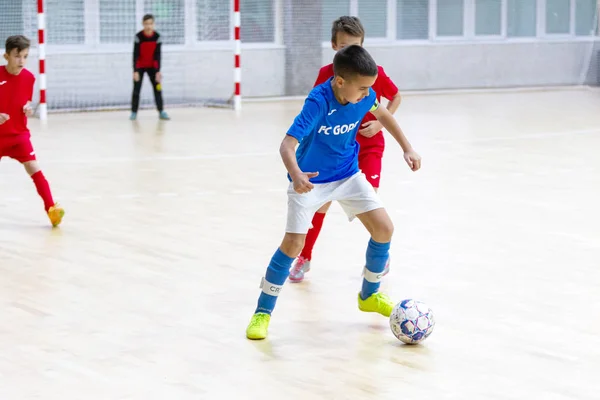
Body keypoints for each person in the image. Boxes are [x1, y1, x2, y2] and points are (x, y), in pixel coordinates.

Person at [246, 45, 421, 340]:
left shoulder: (364, 95)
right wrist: (297, 175)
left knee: (384, 228)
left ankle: (369, 296)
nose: (368, 94)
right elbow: (286, 145)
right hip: (311, 181)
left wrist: (407, 147)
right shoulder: (318, 102)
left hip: (347, 175)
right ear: (340, 82)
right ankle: (262, 313)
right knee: (293, 245)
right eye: (363, 88)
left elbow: (384, 115)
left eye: (370, 89)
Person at [289, 16, 402, 282]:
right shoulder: (326, 76)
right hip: (335, 147)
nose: (349, 52)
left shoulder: (372, 72)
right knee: (321, 204)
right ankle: (304, 257)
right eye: (343, 47)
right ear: (333, 46)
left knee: (370, 199)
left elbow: (395, 96)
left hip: (369, 145)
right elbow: (315, 111)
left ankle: (378, 257)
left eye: (355, 46)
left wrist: (380, 127)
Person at [0, 35, 64, 227]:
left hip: (19, 135)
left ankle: (52, 210)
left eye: (25, 56)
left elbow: (24, 101)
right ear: (6, 56)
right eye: (17, 56)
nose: (21, 61)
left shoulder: (29, 78)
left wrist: (27, 109)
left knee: (34, 168)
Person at [130, 14, 170, 121]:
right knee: (136, 90)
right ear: (143, 24)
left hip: (152, 67)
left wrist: (157, 71)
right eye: (146, 24)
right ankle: (134, 112)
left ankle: (161, 111)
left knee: (158, 88)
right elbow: (136, 55)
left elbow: (158, 55)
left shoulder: (157, 37)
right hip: (140, 67)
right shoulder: (138, 37)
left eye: (151, 24)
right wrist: (135, 71)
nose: (148, 26)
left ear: (154, 24)